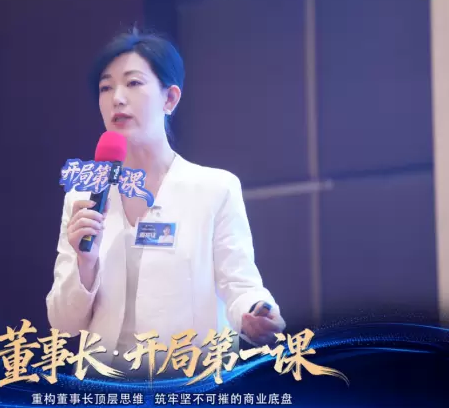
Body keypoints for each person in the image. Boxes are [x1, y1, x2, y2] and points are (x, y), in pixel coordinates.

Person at [46, 29, 285, 376]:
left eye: (133, 83)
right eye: (106, 88)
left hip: (189, 382)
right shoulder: (83, 197)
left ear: (170, 98)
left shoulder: (214, 189)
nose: (117, 99)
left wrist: (256, 312)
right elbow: (62, 323)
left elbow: (240, 285)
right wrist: (85, 263)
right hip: (105, 387)